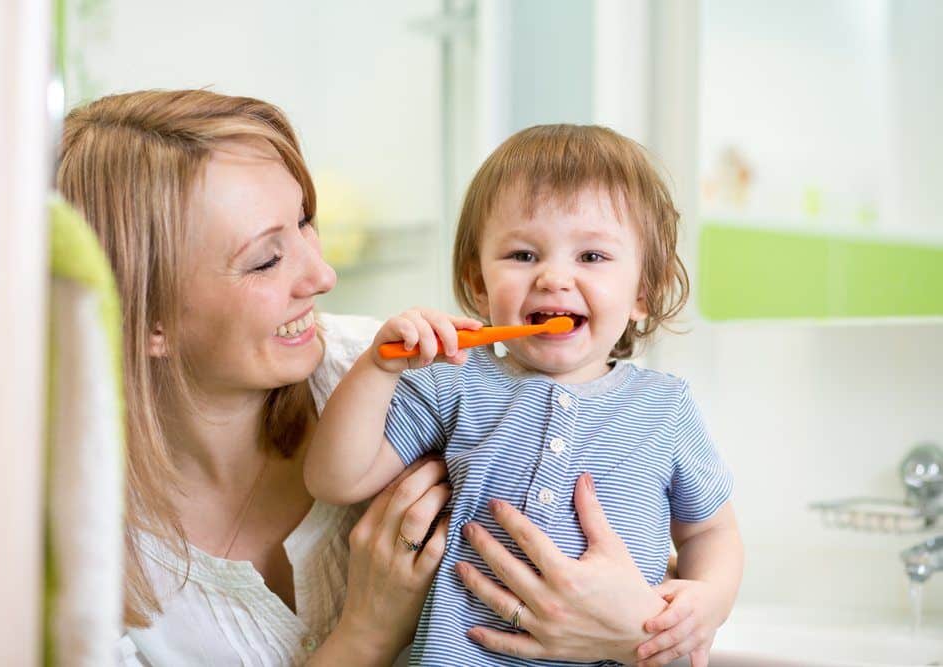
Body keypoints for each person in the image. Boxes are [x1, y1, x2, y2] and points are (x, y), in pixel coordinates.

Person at [57, 90, 675, 666]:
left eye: (305, 223)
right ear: (146, 321)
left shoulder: (411, 376)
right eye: (266, 260)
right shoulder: (60, 539)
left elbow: (643, 557)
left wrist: (635, 629)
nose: (322, 275)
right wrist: (367, 634)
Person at [306, 124, 744, 666]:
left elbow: (711, 531)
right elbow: (335, 478)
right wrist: (377, 368)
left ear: (643, 292)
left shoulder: (665, 407)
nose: (554, 278)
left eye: (591, 257)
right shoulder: (452, 381)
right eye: (522, 255)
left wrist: (710, 601)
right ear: (479, 283)